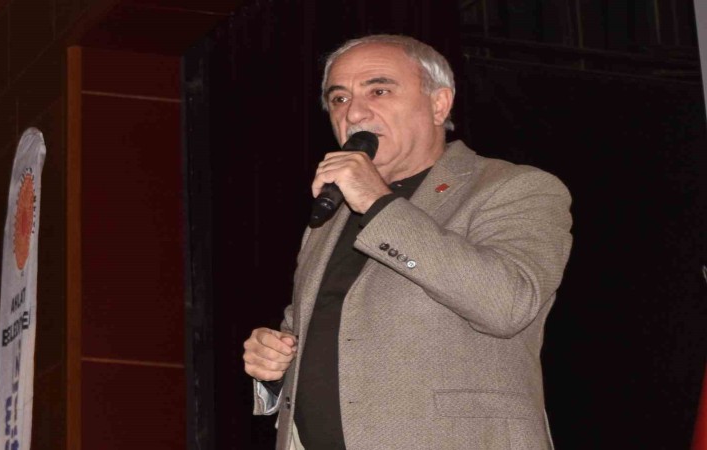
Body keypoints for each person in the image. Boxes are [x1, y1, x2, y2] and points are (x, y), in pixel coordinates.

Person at [242, 34, 572, 450]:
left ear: (439, 104)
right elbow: (318, 332)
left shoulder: (514, 187)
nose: (354, 112)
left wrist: (377, 202)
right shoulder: (332, 214)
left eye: (379, 91)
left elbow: (508, 304)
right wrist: (272, 362)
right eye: (339, 99)